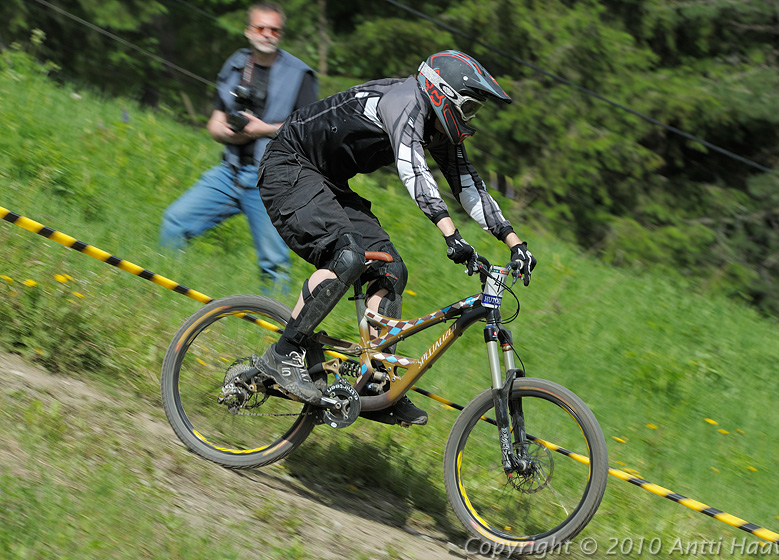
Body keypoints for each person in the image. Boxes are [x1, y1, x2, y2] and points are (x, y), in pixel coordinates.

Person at [255, 50, 537, 425]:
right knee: (348, 256)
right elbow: (414, 171)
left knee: (391, 271)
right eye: (469, 109)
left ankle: (374, 382)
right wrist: (450, 235)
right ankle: (283, 353)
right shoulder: (404, 102)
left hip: (327, 181)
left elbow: (469, 186)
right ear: (443, 94)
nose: (470, 120)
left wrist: (514, 242)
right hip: (288, 165)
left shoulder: (437, 128)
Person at [160, 2, 317, 294]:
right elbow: (214, 122)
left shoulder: (300, 74)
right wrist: (230, 134)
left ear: (281, 34)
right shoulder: (235, 64)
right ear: (248, 31)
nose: (267, 34)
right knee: (174, 223)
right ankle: (166, 297)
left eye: (274, 29)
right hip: (229, 173)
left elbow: (309, 129)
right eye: (260, 27)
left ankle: (278, 333)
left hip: (271, 182)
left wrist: (264, 129)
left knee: (274, 264)